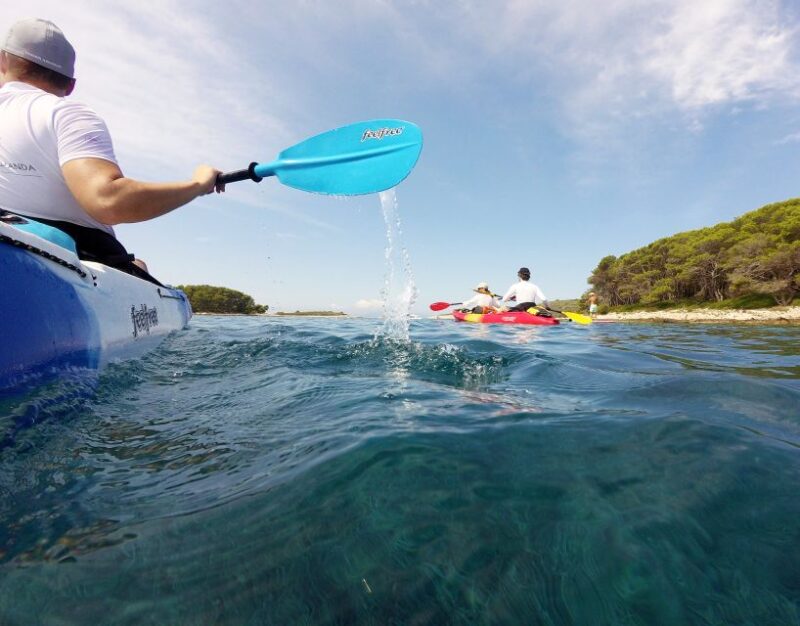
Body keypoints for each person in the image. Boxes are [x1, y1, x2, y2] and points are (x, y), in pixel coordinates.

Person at [0, 18, 224, 281]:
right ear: (70, 85)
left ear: (2, 61)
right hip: (79, 255)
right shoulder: (65, 113)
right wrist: (198, 184)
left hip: (19, 247)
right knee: (138, 266)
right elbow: (108, 201)